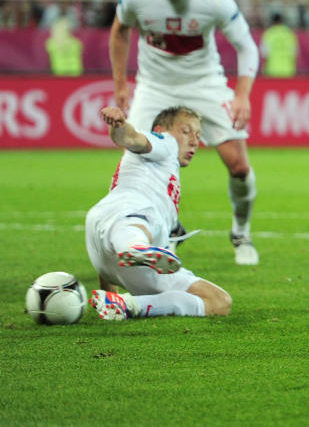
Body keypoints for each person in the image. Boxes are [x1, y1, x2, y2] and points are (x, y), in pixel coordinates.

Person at [109, 0, 260, 266]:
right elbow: (119, 31)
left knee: (238, 165)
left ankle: (241, 232)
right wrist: (121, 83)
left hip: (204, 82)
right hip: (154, 85)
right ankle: (166, 230)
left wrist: (242, 95)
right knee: (133, 161)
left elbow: (247, 47)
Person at [86, 105, 232, 320]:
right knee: (219, 302)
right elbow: (131, 138)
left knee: (218, 302)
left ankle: (125, 303)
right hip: (130, 226)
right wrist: (120, 124)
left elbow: (110, 225)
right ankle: (134, 247)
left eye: (198, 135)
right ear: (160, 129)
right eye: (186, 131)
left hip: (102, 241)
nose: (194, 140)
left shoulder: (148, 179)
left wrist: (108, 292)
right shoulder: (165, 142)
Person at [260, 12, 298, 78]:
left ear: (272, 22)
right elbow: (294, 53)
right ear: (282, 21)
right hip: (288, 70)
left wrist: (263, 69)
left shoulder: (268, 33)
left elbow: (265, 54)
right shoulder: (289, 34)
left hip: (272, 70)